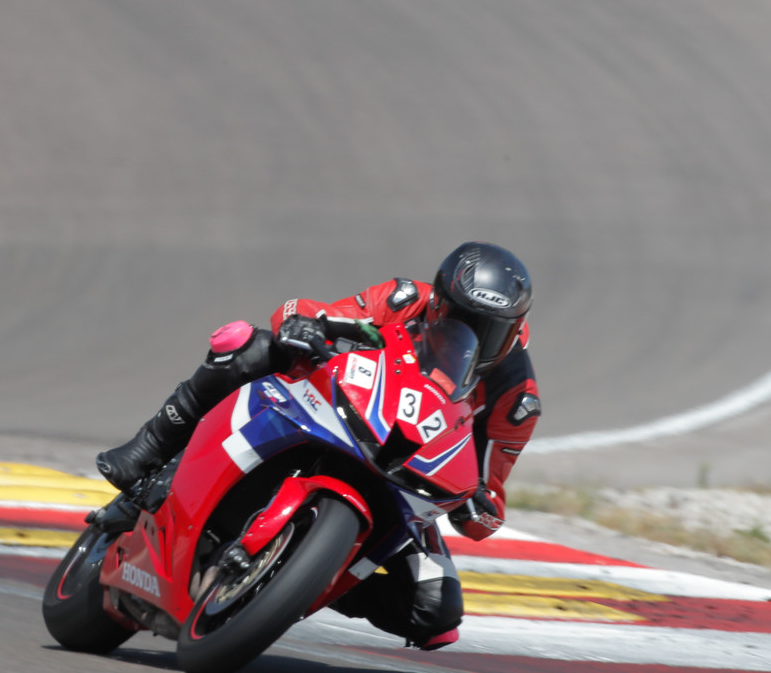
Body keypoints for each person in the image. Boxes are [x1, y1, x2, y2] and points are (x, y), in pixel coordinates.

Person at [95, 241, 541, 651]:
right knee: (249, 346)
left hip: (407, 478)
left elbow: (489, 504)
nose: (477, 337)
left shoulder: (516, 399)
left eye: (492, 330)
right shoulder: (405, 300)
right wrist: (302, 326)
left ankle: (300, 580)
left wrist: (476, 506)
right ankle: (148, 450)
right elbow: (305, 312)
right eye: (464, 320)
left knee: (436, 611)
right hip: (340, 407)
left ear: (516, 329)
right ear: (440, 303)